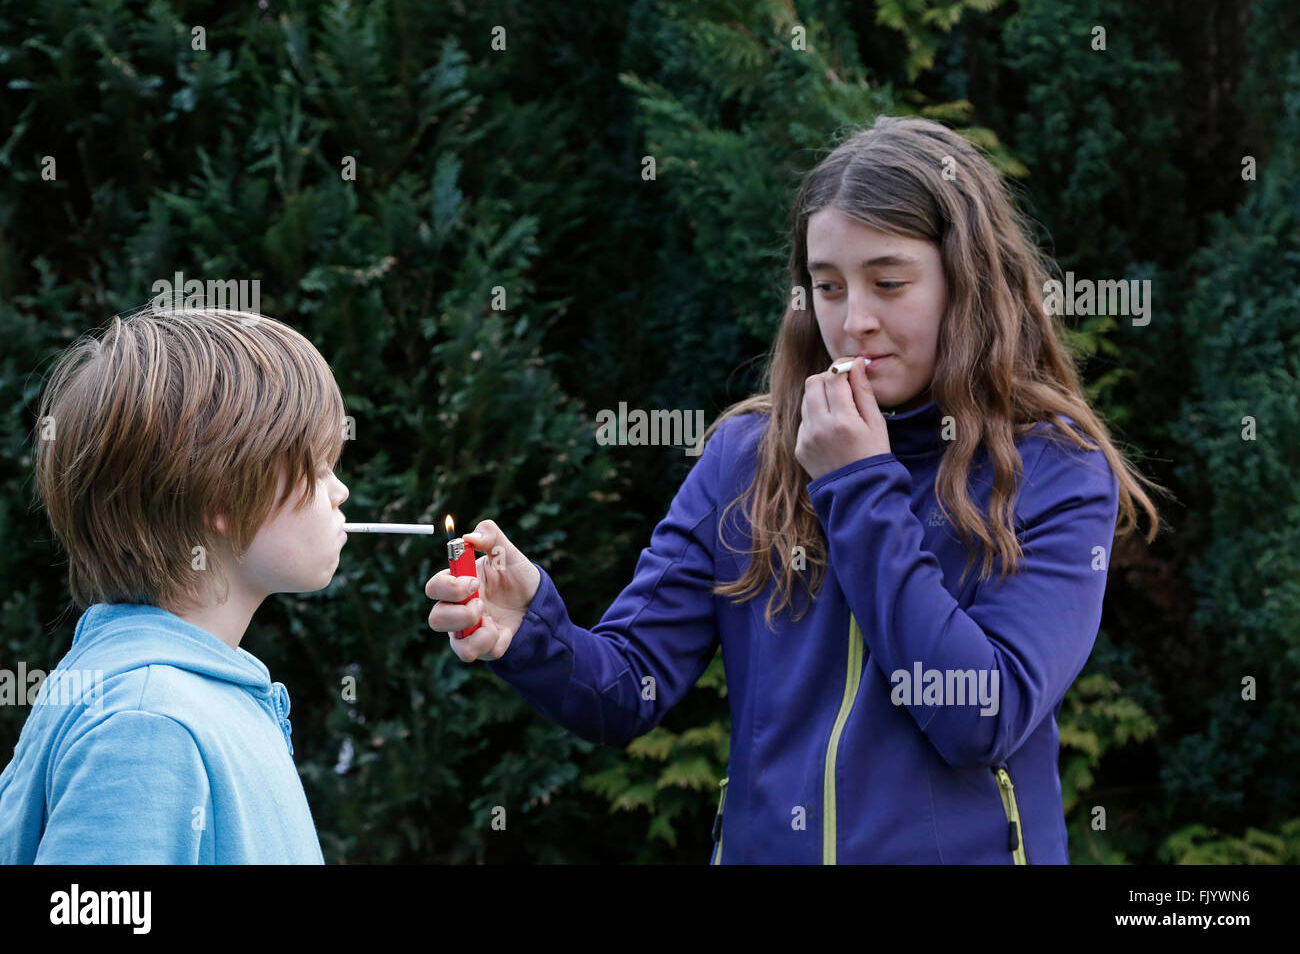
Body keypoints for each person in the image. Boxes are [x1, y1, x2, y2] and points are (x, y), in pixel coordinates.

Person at [424, 114, 1166, 864]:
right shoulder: (747, 455)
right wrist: (532, 634)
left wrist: (856, 484)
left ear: (967, 280)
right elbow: (628, 691)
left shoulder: (1054, 469)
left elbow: (979, 716)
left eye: (889, 282)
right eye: (828, 287)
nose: (855, 322)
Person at [0, 306, 349, 863]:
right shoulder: (149, 726)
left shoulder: (190, 697)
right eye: (322, 465)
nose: (340, 492)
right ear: (224, 500)